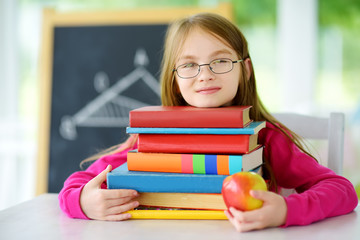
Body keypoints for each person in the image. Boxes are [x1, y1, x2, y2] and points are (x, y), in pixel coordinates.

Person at [59, 13, 358, 232]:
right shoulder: (153, 138)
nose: (205, 74)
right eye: (189, 65)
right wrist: (83, 203)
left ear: (246, 70)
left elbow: (342, 190)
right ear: (175, 81)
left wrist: (286, 210)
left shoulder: (265, 139)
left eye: (221, 61)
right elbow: (76, 185)